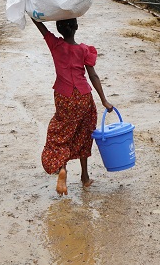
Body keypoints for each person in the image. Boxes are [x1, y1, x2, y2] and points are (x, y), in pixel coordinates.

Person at [31, 17, 113, 196]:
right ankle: (84, 177)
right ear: (76, 27)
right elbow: (93, 76)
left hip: (63, 97)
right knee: (84, 133)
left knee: (60, 133)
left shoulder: (55, 45)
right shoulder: (84, 50)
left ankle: (62, 168)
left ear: (59, 29)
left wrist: (31, 13)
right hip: (83, 97)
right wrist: (104, 100)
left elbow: (41, 28)